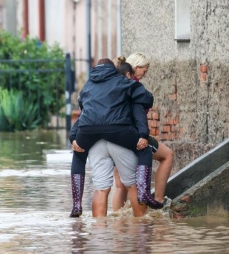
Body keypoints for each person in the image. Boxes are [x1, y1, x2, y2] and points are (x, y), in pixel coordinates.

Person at [69, 58, 163, 218]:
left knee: (99, 187)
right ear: (113, 69)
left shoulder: (88, 86)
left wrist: (73, 139)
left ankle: (80, 207)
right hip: (119, 132)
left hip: (91, 136)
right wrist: (143, 135)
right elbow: (146, 98)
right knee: (134, 183)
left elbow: (84, 111)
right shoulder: (122, 82)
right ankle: (142, 215)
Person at [112, 53, 174, 211]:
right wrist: (143, 135)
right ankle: (158, 201)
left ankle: (117, 221)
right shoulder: (134, 86)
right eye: (144, 71)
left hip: (112, 137)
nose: (144, 74)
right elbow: (140, 112)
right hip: (133, 135)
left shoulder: (113, 84)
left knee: (120, 185)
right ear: (134, 68)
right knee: (167, 155)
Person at [87, 139, 147, 217]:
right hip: (119, 137)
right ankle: (140, 223)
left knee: (101, 189)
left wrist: (73, 139)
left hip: (96, 139)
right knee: (132, 186)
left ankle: (102, 226)